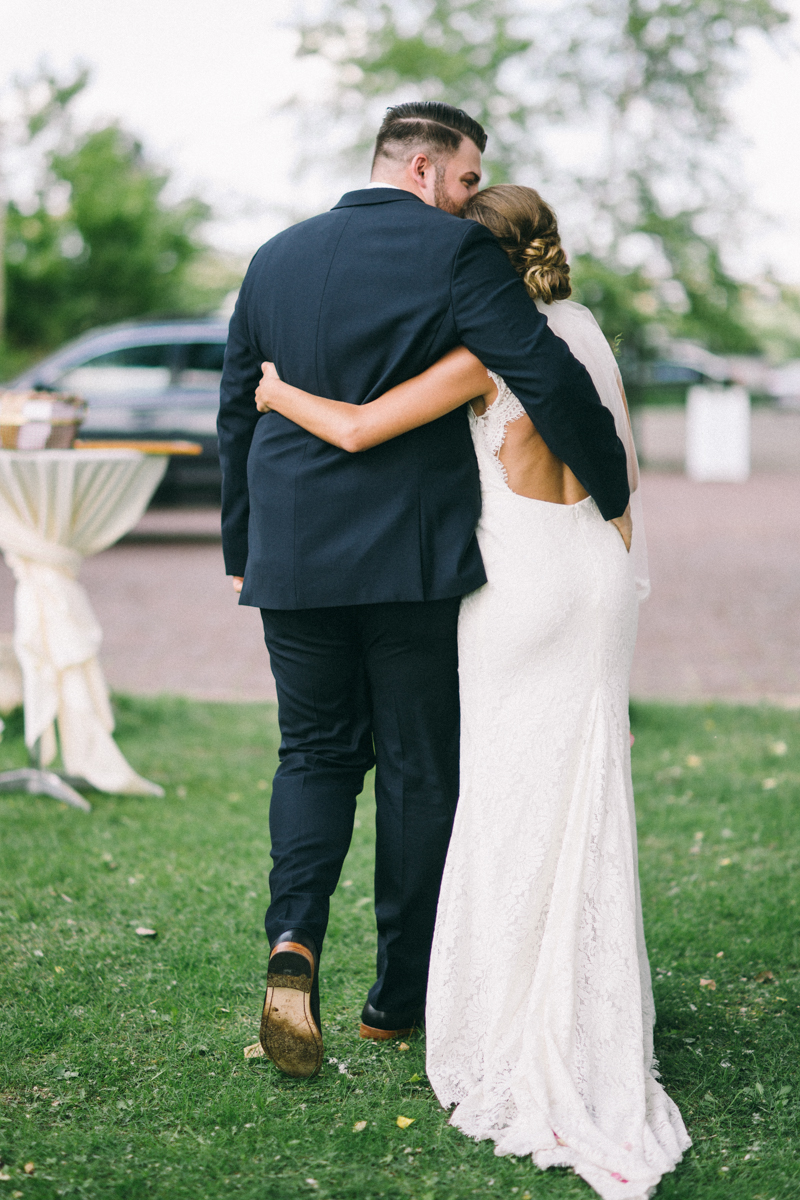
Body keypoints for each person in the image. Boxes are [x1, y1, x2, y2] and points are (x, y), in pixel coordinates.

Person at [253, 185, 689, 1199]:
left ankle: (506, 1018)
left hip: (520, 587)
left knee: (500, 797)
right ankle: (586, 1004)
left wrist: (275, 392)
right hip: (592, 575)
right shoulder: (583, 333)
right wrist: (614, 540)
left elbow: (359, 429)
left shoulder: (488, 345)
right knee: (583, 793)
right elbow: (615, 469)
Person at [217, 102, 630, 1082]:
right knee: (413, 765)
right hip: (405, 556)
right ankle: (396, 999)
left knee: (313, 753)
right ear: (417, 164)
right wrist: (610, 492)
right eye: (462, 174)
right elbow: (538, 365)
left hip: (291, 553)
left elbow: (238, 402)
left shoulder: (272, 256)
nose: (467, 195)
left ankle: (292, 946)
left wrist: (243, 543)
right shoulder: (454, 254)